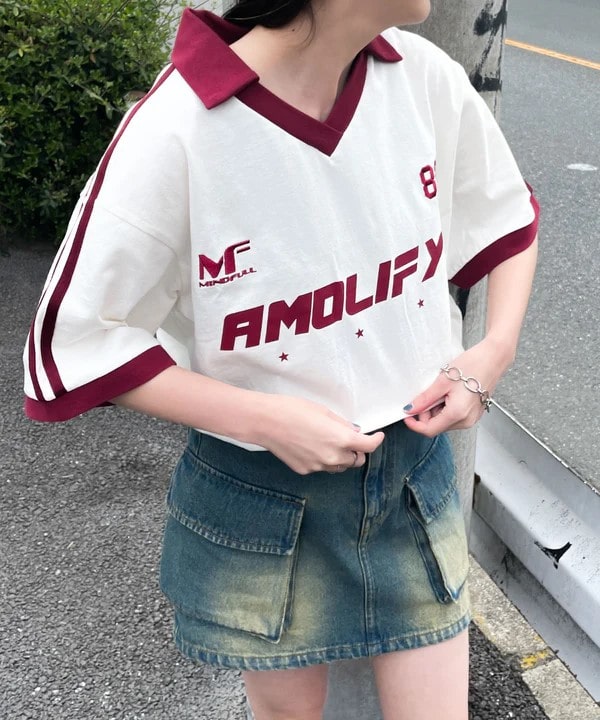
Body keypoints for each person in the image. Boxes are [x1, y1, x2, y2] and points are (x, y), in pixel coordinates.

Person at [23, 0, 539, 718]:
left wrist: (492, 351)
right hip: (261, 495)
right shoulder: (179, 126)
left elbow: (508, 216)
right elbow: (73, 341)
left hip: (414, 481)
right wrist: (265, 418)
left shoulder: (424, 77)